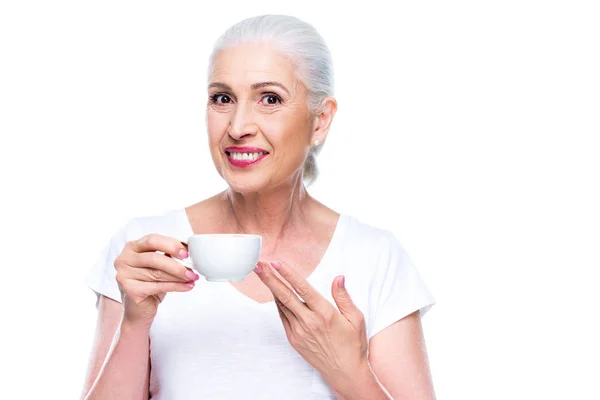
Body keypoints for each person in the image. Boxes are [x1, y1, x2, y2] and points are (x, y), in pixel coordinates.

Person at [81, 14, 436, 400]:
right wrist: (135, 323)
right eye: (223, 98)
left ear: (320, 121)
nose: (238, 126)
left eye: (270, 99)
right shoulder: (145, 251)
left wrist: (348, 372)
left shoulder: (376, 258)